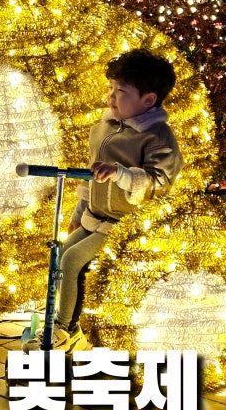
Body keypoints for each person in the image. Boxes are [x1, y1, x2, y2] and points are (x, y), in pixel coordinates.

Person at [24, 48, 184, 352]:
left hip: (122, 225)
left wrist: (120, 173)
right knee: (60, 254)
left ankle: (64, 329)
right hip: (94, 217)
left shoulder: (157, 137)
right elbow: (90, 176)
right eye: (110, 88)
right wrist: (78, 212)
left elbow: (159, 183)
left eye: (121, 91)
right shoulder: (104, 127)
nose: (111, 96)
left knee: (72, 261)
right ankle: (65, 318)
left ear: (148, 99)